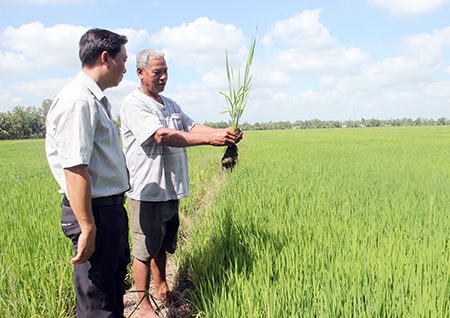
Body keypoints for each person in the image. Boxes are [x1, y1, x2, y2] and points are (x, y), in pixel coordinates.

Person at [120, 49, 242, 317]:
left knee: (162, 244)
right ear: (140, 73)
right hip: (147, 188)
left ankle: (161, 286)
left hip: (171, 187)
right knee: (143, 249)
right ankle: (142, 305)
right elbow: (161, 135)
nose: (163, 77)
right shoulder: (134, 103)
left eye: (165, 72)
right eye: (157, 72)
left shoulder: (170, 104)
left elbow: (191, 126)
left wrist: (223, 134)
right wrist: (210, 140)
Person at [45, 28, 131, 317]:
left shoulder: (95, 99)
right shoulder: (78, 101)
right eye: (123, 59)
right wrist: (88, 226)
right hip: (94, 212)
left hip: (108, 210)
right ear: (106, 58)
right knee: (98, 305)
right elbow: (75, 167)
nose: (125, 67)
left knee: (113, 291)